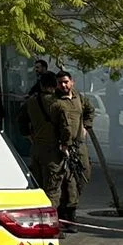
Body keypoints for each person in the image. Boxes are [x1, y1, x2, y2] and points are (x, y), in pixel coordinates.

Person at [25, 71, 93, 230]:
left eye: (66, 82)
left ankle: (67, 215)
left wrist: (86, 127)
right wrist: (64, 144)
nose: (63, 85)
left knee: (81, 177)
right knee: (59, 184)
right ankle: (61, 219)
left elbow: (89, 111)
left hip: (77, 146)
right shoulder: (55, 103)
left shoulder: (78, 97)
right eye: (60, 82)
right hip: (59, 149)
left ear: (72, 82)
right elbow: (65, 128)